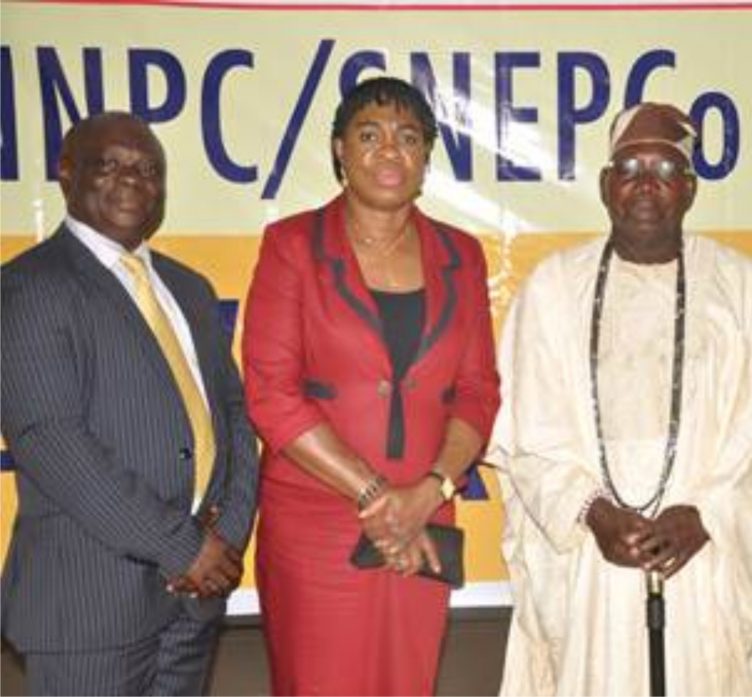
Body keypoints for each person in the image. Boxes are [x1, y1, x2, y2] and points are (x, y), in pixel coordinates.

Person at [490, 102, 752, 695]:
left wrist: (704, 514)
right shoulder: (554, 288)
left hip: (703, 557)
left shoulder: (741, 287)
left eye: (664, 168)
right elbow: (527, 434)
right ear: (607, 186)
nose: (646, 183)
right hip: (589, 560)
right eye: (630, 166)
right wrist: (594, 512)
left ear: (689, 188)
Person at [242, 76, 500, 695]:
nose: (391, 151)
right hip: (319, 519)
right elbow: (272, 394)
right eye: (370, 134)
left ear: (426, 158)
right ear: (339, 150)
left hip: (424, 514)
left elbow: (478, 390)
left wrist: (430, 489)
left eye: (409, 137)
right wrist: (381, 496)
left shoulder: (461, 254)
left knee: (407, 680)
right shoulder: (293, 246)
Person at [0, 111, 259, 695]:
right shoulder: (28, 287)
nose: (133, 180)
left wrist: (229, 534)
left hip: (193, 600)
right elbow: (51, 441)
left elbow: (235, 417)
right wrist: (183, 547)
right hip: (91, 605)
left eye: (148, 170)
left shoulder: (188, 288)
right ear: (66, 174)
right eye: (110, 165)